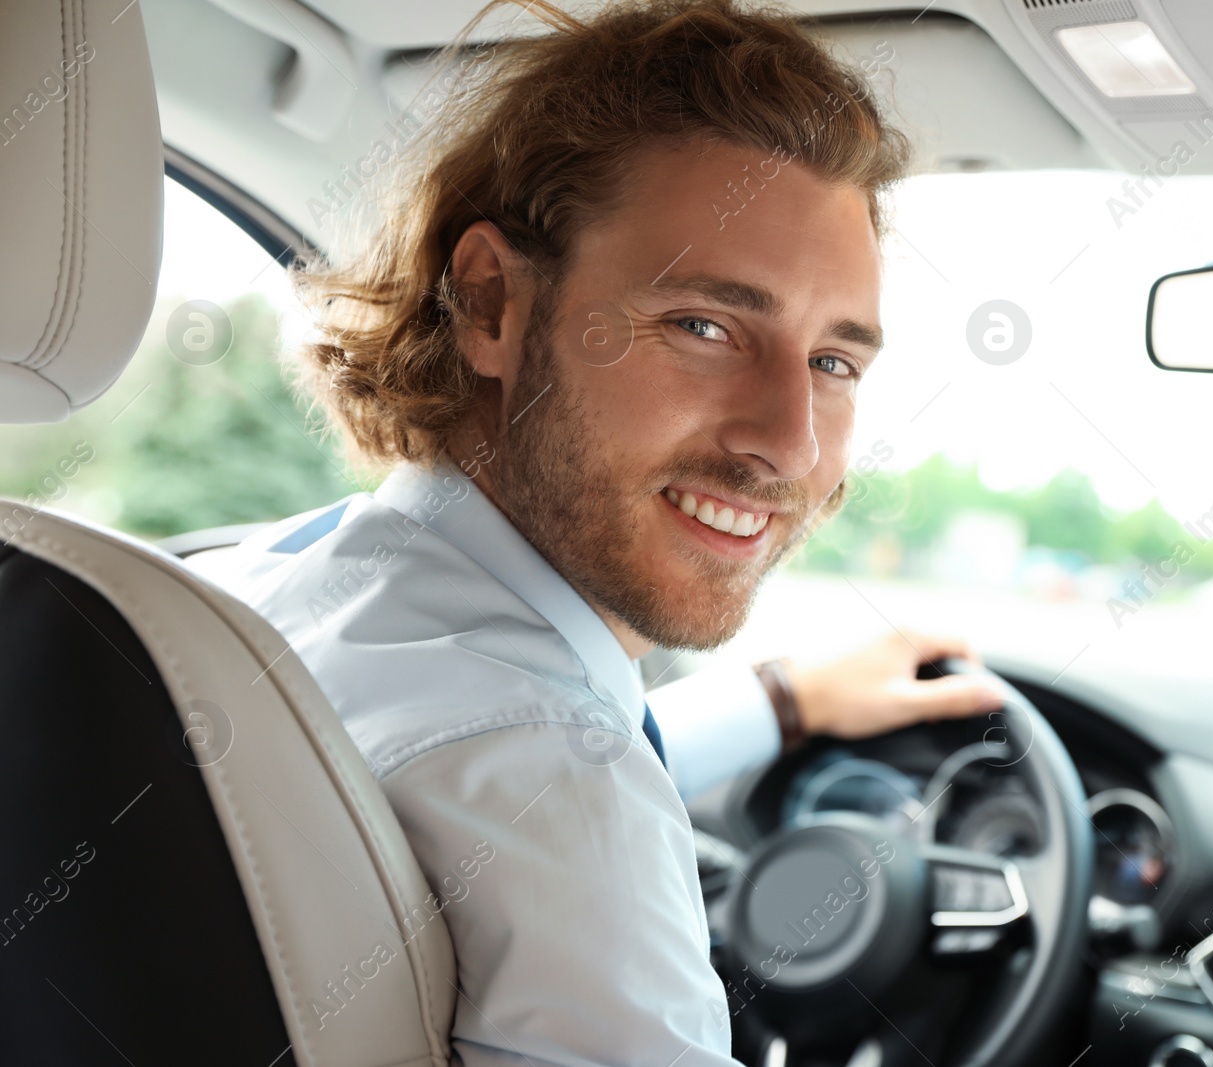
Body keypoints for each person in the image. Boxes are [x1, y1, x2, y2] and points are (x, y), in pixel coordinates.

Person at [189, 1, 1009, 1064]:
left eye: (833, 362)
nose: (789, 443)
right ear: (491, 304)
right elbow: (531, 758)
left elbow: (491, 731)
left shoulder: (263, 581)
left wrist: (784, 703)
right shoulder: (566, 790)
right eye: (704, 326)